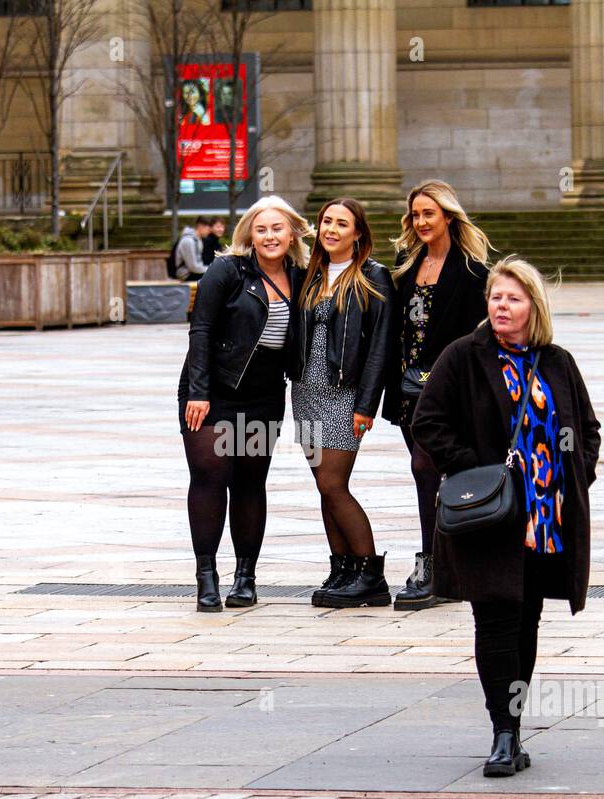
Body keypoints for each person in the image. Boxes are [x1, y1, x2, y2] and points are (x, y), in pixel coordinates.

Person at [412, 255, 600, 777]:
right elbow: (429, 420)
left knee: (526, 623)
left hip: (546, 518)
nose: (501, 305)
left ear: (532, 307)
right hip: (492, 518)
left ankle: (513, 728)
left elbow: (587, 427)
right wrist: (476, 472)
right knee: (495, 619)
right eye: (496, 296)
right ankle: (501, 733)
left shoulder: (557, 361)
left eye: (513, 298)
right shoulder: (463, 357)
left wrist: (577, 475)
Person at [178, 195, 310, 611]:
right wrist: (198, 391)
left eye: (277, 228)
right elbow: (200, 330)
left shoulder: (303, 275)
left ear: (292, 233)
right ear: (249, 234)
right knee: (210, 477)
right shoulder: (227, 270)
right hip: (213, 392)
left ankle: (245, 577)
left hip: (264, 396)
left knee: (250, 484)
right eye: (261, 229)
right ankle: (206, 577)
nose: (270, 236)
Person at [384, 180, 492, 611]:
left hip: (449, 390)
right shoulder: (405, 264)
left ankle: (430, 566)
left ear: (448, 215)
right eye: (415, 214)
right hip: (408, 389)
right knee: (431, 475)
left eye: (430, 213)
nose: (422, 221)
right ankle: (453, 565)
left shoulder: (472, 272)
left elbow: (480, 338)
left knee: (424, 467)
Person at [291, 197, 394, 608]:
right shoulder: (310, 275)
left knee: (334, 484)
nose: (331, 229)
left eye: (341, 223)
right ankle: (343, 568)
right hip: (306, 393)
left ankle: (371, 574)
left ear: (358, 233)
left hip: (344, 395)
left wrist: (366, 404)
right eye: (326, 222)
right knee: (324, 487)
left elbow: (380, 347)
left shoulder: (373, 276)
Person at [172, 216, 214, 282]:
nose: (209, 232)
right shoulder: (188, 241)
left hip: (194, 272)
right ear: (200, 227)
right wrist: (211, 269)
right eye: (208, 229)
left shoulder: (198, 240)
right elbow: (193, 267)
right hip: (186, 274)